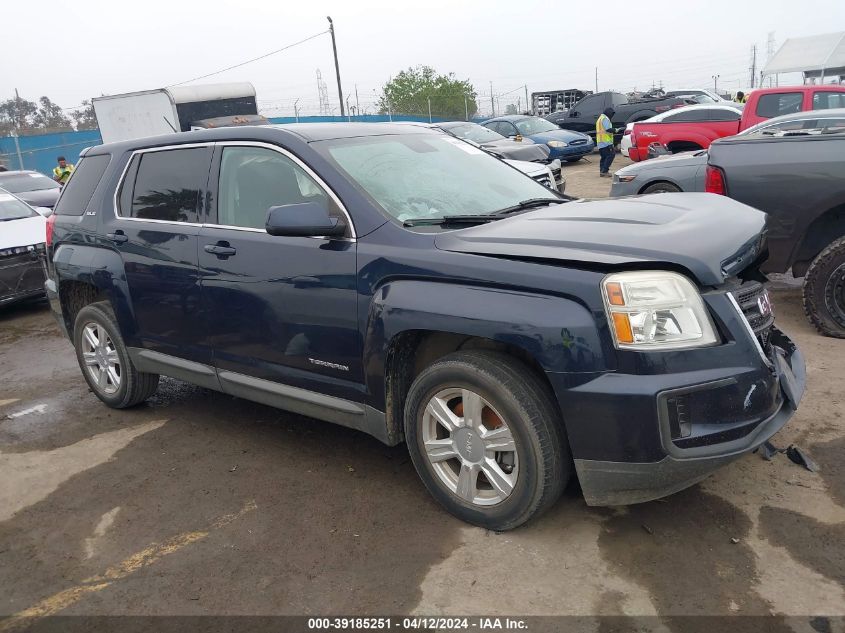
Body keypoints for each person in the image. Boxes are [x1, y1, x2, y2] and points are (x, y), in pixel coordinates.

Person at [596, 107, 615, 177]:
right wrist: (615, 130)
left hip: (600, 142)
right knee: (611, 155)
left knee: (604, 157)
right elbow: (608, 129)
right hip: (606, 142)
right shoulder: (605, 119)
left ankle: (602, 171)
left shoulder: (600, 119)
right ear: (609, 113)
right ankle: (604, 171)